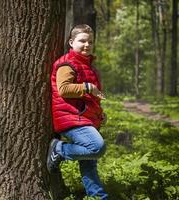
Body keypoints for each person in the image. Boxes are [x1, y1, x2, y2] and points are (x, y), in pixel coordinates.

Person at [46, 24, 108, 199]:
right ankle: (59, 149)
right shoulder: (67, 63)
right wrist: (88, 87)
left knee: (89, 164)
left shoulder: (89, 67)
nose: (87, 44)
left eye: (90, 41)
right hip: (71, 118)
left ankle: (98, 196)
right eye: (82, 41)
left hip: (84, 118)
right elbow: (63, 89)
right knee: (97, 147)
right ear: (71, 42)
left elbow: (91, 98)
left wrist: (99, 114)